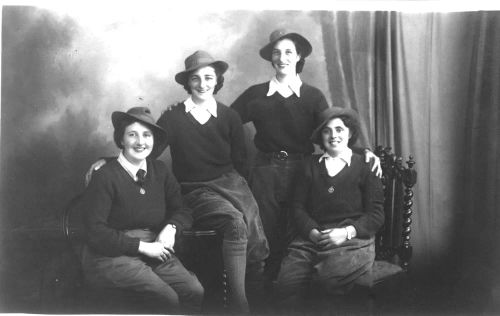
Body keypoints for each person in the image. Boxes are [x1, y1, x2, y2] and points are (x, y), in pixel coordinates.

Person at [85, 51, 269, 313]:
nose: (203, 84)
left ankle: (249, 298)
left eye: (209, 78)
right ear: (187, 83)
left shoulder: (229, 116)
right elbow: (147, 147)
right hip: (196, 189)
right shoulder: (173, 117)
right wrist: (108, 160)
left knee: (254, 232)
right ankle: (240, 307)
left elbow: (241, 159)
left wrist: (240, 190)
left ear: (217, 80)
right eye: (196, 79)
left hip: (231, 183)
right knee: (235, 223)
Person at [230, 29, 382, 279]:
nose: (282, 58)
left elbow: (333, 133)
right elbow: (225, 122)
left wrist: (364, 152)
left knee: (296, 230)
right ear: (271, 58)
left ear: (299, 55)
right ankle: (268, 295)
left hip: (303, 170)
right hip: (265, 171)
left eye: (289, 52)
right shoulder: (256, 94)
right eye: (277, 53)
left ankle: (293, 287)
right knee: (264, 232)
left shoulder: (312, 96)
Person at [80, 107, 204, 314]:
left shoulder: (160, 171)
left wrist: (172, 227)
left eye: (147, 135)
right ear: (121, 140)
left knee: (194, 290)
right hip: (110, 255)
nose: (140, 142)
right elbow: (95, 232)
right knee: (166, 298)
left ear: (154, 140)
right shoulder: (104, 176)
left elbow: (183, 208)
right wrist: (142, 247)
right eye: (132, 134)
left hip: (154, 246)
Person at [275, 107, 384, 310]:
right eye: (327, 130)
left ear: (350, 133)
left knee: (326, 282)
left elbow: (376, 215)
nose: (334, 135)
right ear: (320, 136)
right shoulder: (309, 165)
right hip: (312, 238)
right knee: (286, 284)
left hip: (352, 240)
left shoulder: (365, 166)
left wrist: (346, 232)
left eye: (339, 130)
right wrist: (312, 232)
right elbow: (297, 207)